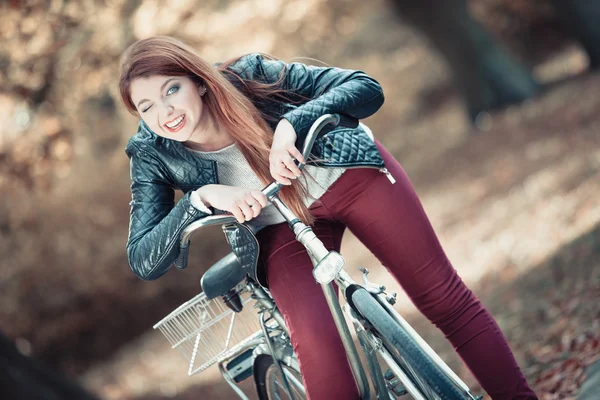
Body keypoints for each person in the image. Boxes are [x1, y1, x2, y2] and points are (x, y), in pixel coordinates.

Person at [118, 36, 537, 399]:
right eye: (147, 106)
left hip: (345, 175)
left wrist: (290, 126)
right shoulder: (152, 153)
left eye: (172, 89)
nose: (165, 112)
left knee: (444, 300)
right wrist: (201, 198)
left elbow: (364, 87)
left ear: (198, 81)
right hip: (277, 227)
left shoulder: (248, 75)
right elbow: (143, 258)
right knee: (325, 368)